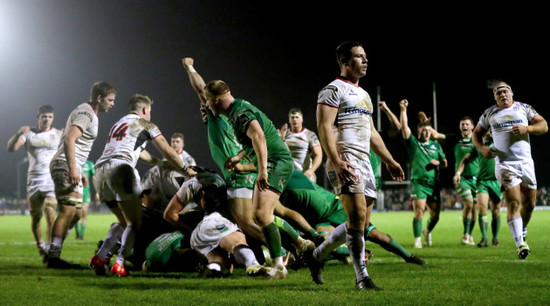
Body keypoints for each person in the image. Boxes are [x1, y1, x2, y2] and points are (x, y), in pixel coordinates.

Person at [183, 58, 305, 279]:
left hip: (241, 174)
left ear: (216, 101)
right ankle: (299, 242)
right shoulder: (231, 112)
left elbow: (201, 89)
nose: (205, 104)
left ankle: (287, 252)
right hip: (246, 168)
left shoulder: (221, 114)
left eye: (208, 102)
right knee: (271, 212)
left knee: (249, 220)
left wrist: (190, 68)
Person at [307, 41, 405, 291]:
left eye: (365, 56)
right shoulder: (332, 90)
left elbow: (372, 134)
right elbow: (324, 127)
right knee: (357, 217)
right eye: (359, 57)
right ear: (345, 62)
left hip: (364, 162)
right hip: (345, 159)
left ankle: (317, 256)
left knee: (359, 224)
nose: (365, 60)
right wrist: (337, 161)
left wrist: (389, 160)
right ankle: (362, 278)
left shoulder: (364, 95)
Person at [90, 94, 196, 277]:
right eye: (150, 112)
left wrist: (158, 163)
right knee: (135, 222)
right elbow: (168, 150)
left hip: (99, 172)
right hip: (121, 170)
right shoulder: (146, 125)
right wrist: (187, 170)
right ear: (145, 110)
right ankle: (120, 263)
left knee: (123, 221)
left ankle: (100, 257)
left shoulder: (119, 123)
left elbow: (140, 151)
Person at [281, 170, 425, 265]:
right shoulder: (277, 197)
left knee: (376, 235)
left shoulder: (291, 175)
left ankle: (408, 257)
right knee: (328, 246)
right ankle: (363, 254)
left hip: (337, 208)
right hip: (321, 221)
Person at [473, 81, 547, 259]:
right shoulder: (489, 113)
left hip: (526, 163)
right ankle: (520, 244)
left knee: (530, 204)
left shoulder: (524, 108)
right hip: (505, 164)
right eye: (498, 93)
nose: (502, 95)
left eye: (505, 91)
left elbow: (544, 125)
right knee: (513, 203)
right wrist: (482, 149)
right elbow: (476, 134)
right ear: (495, 97)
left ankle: (523, 229)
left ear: (512, 93)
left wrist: (527, 128)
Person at [47, 82, 116, 269]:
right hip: (64, 164)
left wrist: (80, 168)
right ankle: (53, 257)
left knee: (77, 214)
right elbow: (70, 138)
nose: (112, 104)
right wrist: (73, 168)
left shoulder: (91, 114)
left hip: (71, 164)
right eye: (110, 100)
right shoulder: (86, 113)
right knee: (68, 210)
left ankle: (53, 247)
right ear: (99, 98)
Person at [164, 170, 270, 278]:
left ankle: (213, 268)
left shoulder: (197, 185)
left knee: (223, 264)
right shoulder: (217, 185)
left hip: (197, 234)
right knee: (238, 243)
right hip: (214, 222)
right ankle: (253, 265)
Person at [7, 104, 63, 259]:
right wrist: (18, 133)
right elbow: (11, 148)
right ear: (38, 116)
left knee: (51, 213)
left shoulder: (58, 134)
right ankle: (40, 246)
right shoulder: (28, 134)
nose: (47, 119)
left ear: (53, 118)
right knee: (36, 217)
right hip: (34, 180)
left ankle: (51, 250)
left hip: (52, 179)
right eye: (44, 116)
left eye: (50, 116)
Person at [399, 99, 447, 248]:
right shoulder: (414, 143)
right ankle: (417, 239)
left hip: (434, 184)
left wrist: (437, 163)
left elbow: (445, 163)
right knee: (419, 211)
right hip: (418, 183)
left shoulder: (436, 145)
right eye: (423, 130)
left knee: (435, 216)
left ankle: (427, 231)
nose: (426, 133)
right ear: (419, 132)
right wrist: (403, 110)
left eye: (428, 130)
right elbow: (404, 127)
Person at [456, 130, 501, 247]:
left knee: (496, 211)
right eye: (486, 129)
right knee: (482, 208)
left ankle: (495, 238)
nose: (488, 132)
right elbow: (466, 159)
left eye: (490, 129)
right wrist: (459, 173)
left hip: (496, 181)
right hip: (482, 181)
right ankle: (484, 239)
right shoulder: (479, 145)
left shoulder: (500, 142)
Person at [452, 116, 479, 245]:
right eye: (463, 124)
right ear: (459, 126)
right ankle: (465, 234)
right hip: (462, 178)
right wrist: (426, 123)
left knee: (475, 208)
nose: (465, 126)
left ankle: (469, 234)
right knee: (468, 202)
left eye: (467, 124)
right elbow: (438, 136)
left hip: (477, 179)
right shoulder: (455, 140)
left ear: (472, 126)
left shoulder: (478, 141)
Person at [279, 108, 323, 182]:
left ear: (302, 119)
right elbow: (282, 153)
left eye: (297, 117)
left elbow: (319, 155)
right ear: (289, 120)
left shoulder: (310, 135)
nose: (294, 120)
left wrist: (311, 171)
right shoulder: (284, 134)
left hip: (305, 175)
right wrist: (281, 138)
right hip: (289, 175)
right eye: (292, 117)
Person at [74, 159, 96, 240]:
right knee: (76, 214)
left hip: (86, 192)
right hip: (76, 191)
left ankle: (81, 235)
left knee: (84, 213)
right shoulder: (75, 162)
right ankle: (77, 233)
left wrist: (97, 191)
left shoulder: (89, 164)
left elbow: (94, 177)